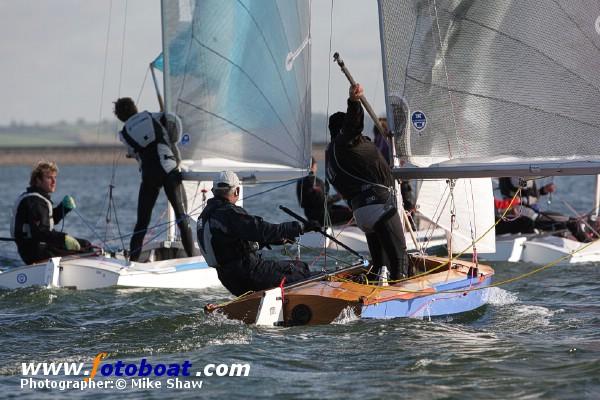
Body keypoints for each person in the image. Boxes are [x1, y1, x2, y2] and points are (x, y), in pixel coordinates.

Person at [326, 83, 410, 281]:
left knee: (380, 267)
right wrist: (354, 102)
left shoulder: (332, 156)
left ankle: (371, 301)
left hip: (362, 213)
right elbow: (353, 125)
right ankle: (402, 298)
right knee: (400, 261)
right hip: (379, 207)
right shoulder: (346, 141)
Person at [197, 171, 320, 296]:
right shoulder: (228, 213)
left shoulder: (204, 217)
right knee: (300, 269)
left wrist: (275, 240)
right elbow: (262, 230)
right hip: (250, 273)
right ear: (236, 191)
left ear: (213, 191)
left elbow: (230, 245)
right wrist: (301, 227)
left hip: (229, 280)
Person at [113, 97, 196, 261]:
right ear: (135, 108)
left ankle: (133, 263)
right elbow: (174, 123)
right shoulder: (153, 116)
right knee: (181, 217)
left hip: (150, 175)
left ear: (120, 117)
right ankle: (192, 258)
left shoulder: (123, 133)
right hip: (169, 170)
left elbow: (134, 152)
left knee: (142, 223)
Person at [11, 161, 91, 265]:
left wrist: (64, 208)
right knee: (87, 247)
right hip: (37, 251)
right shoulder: (36, 202)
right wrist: (64, 238)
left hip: (34, 249)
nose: (54, 181)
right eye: (49, 178)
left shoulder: (34, 197)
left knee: (85, 245)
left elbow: (47, 222)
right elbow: (40, 232)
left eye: (55, 177)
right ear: (38, 180)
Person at [496, 177, 590, 241]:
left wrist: (543, 190)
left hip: (532, 217)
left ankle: (580, 241)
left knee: (569, 223)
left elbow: (530, 196)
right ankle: (587, 243)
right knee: (572, 222)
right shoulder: (515, 180)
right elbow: (530, 196)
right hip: (532, 218)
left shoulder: (510, 180)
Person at [296, 157, 353, 226]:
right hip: (322, 217)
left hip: (311, 215)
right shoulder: (314, 182)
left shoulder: (300, 182)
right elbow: (322, 200)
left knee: (347, 209)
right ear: (313, 166)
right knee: (353, 214)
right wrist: (339, 196)